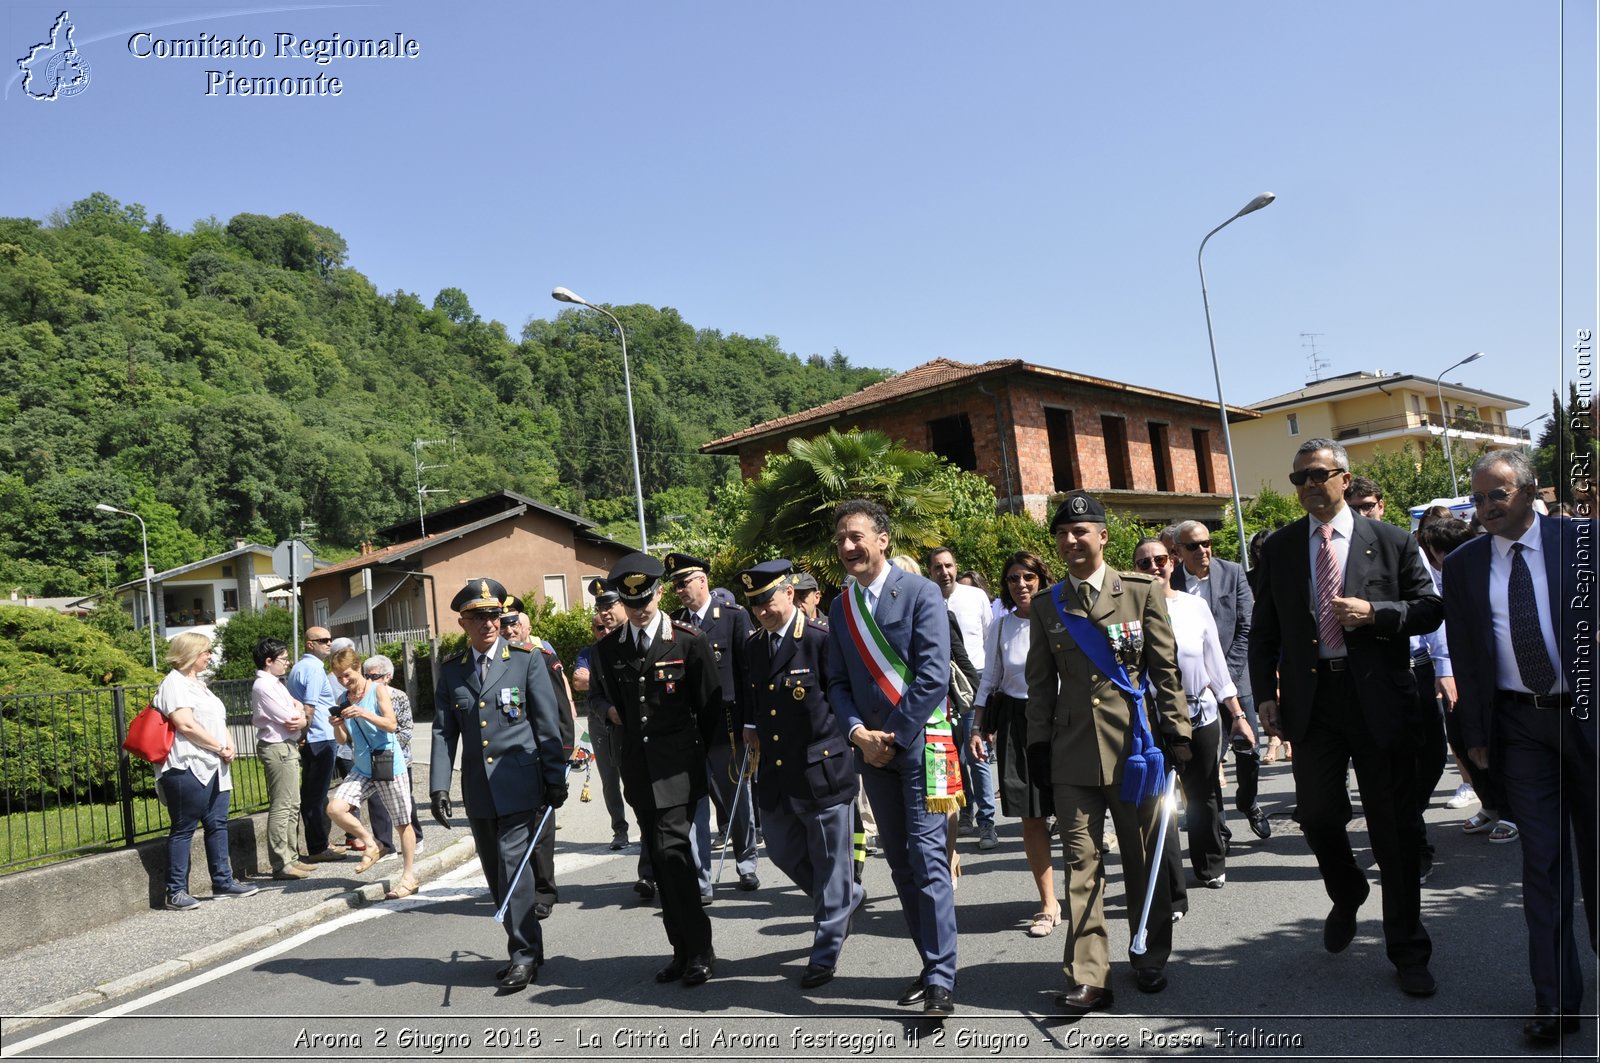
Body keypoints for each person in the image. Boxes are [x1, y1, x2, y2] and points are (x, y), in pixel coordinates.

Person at [1249, 438, 1442, 998]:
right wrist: (1265, 693)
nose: (1310, 485)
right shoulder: (1283, 548)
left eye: (1319, 474)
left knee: (1394, 830)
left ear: (1343, 477)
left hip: (1379, 700)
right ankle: (1347, 888)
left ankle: (1407, 949)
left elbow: (1430, 608)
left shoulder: (1392, 540)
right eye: (1300, 477)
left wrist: (1377, 614)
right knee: (1315, 815)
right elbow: (1264, 631)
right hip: (1314, 704)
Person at [1443, 450, 1598, 1045]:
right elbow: (1468, 653)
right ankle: (1558, 1001)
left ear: (1530, 491)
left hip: (1590, 720)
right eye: (1478, 499)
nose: (1483, 508)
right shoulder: (1463, 565)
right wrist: (1475, 736)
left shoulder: (1584, 542)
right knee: (1544, 862)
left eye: (1495, 496)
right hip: (1521, 727)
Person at [1025, 491, 1189, 1011]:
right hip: (1071, 755)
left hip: (1134, 750)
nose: (1072, 541)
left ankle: (1148, 953)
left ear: (1102, 536)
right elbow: (1038, 684)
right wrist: (1036, 747)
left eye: (1082, 532)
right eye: (1063, 534)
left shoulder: (1139, 592)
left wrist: (1179, 733)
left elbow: (1164, 669)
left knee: (1144, 858)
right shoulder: (1047, 605)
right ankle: (1090, 975)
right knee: (1081, 862)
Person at [825, 499, 958, 1017]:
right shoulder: (841, 608)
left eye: (856, 536)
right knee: (900, 862)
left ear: (883, 540)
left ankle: (942, 978)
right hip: (873, 753)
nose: (847, 547)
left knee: (927, 861)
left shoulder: (922, 593)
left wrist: (892, 737)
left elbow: (933, 676)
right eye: (840, 539)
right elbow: (836, 682)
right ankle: (930, 963)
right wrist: (859, 734)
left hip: (921, 744)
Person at [429, 578, 568, 992]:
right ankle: (529, 946)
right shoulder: (453, 670)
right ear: (463, 622)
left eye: (495, 615)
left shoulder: (526, 660)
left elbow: (547, 724)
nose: (490, 623)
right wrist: (439, 786)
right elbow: (441, 732)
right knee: (496, 875)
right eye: (479, 617)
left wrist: (555, 777)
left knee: (513, 871)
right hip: (479, 790)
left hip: (521, 784)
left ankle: (523, 955)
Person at [591, 553, 722, 987]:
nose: (639, 609)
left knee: (672, 854)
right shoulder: (608, 649)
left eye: (645, 599)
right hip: (639, 771)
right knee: (662, 865)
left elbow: (709, 708)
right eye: (631, 603)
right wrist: (608, 711)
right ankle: (681, 949)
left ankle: (700, 949)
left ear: (659, 592)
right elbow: (605, 700)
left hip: (680, 770)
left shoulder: (688, 639)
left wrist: (714, 766)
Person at [737, 560, 862, 989]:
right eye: (754, 605)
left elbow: (844, 697)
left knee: (830, 864)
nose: (762, 611)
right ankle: (845, 899)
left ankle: (825, 949)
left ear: (790, 594)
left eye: (767, 601)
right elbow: (756, 698)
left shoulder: (819, 640)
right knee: (783, 851)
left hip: (822, 767)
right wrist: (750, 727)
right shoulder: (754, 646)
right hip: (776, 771)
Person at [1136, 538, 1250, 892]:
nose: (1154, 567)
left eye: (1160, 560)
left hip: (1200, 709)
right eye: (1144, 563)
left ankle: (1210, 864)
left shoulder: (1194, 606)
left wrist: (1237, 713)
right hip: (1153, 716)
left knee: (1204, 792)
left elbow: (1215, 662)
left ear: (1172, 562)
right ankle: (1169, 883)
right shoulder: (1130, 611)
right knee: (1160, 801)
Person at [970, 549, 1060, 937]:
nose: (1020, 584)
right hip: (1017, 723)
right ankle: (1048, 903)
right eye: (1012, 579)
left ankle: (1084, 893)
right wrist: (977, 727)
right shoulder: (1002, 627)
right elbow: (989, 679)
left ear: (1041, 578)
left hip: (1062, 719)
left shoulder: (1061, 617)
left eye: (1027, 577)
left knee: (1076, 812)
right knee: (1031, 816)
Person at [664, 553, 759, 896]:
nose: (679, 591)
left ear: (702, 580)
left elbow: (748, 673)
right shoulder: (671, 623)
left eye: (684, 583)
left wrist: (751, 722)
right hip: (687, 730)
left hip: (727, 726)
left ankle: (746, 862)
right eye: (674, 586)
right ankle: (701, 879)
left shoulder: (733, 617)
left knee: (738, 797)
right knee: (695, 803)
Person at [1169, 520, 1267, 841]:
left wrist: (1223, 676)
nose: (1203, 550)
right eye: (1194, 546)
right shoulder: (1173, 583)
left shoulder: (1233, 572)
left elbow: (1245, 628)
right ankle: (1219, 828)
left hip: (1237, 681)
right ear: (1179, 551)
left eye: (1206, 543)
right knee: (1209, 762)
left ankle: (1248, 801)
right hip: (1197, 692)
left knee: (1249, 750)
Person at [153, 632, 261, 910]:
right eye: (206, 652)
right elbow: (185, 724)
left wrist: (230, 744)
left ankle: (223, 882)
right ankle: (175, 891)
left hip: (214, 764)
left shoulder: (200, 685)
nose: (209, 656)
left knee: (218, 824)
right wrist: (218, 746)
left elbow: (217, 719)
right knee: (183, 828)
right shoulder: (174, 684)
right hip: (187, 765)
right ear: (190, 653)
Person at [502, 598, 577, 919]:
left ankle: (544, 890)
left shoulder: (541, 657)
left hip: (541, 754)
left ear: (527, 626)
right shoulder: (494, 662)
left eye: (514, 622)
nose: (509, 628)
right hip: (508, 758)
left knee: (541, 827)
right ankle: (520, 887)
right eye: (504, 623)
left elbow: (561, 709)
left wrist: (562, 753)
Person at [325, 646, 418, 899]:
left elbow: (391, 724)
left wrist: (364, 713)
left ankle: (408, 876)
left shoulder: (377, 690)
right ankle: (373, 842)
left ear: (358, 668)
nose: (345, 682)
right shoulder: (343, 700)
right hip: (363, 767)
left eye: (348, 675)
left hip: (388, 763)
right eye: (339, 678)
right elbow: (344, 740)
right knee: (335, 808)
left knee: (402, 823)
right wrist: (338, 725)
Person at [929, 546, 998, 850]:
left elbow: (988, 638)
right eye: (937, 568)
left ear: (956, 567)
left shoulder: (975, 597)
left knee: (976, 753)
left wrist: (988, 687)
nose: (944, 572)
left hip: (973, 682)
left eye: (949, 566)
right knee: (951, 753)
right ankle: (966, 811)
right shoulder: (927, 601)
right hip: (939, 686)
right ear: (930, 572)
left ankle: (987, 823)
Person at [572, 579, 634, 853]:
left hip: (629, 718)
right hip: (600, 720)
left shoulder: (632, 639)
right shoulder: (590, 652)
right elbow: (580, 682)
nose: (604, 625)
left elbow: (591, 681)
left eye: (609, 607)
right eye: (599, 622)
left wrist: (595, 679)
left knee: (634, 774)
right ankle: (619, 829)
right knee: (609, 778)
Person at [250, 637, 314, 880]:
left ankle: (292, 856)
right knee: (282, 805)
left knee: (293, 803)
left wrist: (299, 713)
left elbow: (297, 710)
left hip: (287, 745)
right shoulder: (263, 686)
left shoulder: (275, 683)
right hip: (276, 747)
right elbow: (290, 716)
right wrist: (300, 714)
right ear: (269, 661)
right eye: (283, 659)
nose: (287, 663)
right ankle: (281, 863)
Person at [287, 626, 344, 864]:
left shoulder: (299, 667)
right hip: (319, 736)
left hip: (314, 736)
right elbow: (308, 707)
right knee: (315, 794)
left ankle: (320, 842)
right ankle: (318, 847)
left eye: (330, 639)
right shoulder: (313, 668)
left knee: (315, 794)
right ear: (310, 644)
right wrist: (304, 734)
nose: (329, 644)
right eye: (323, 640)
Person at [362, 654, 424, 854]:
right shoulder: (362, 697)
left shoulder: (398, 696)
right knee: (377, 802)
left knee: (404, 802)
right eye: (366, 676)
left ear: (387, 676)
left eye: (374, 676)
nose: (369, 680)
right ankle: (385, 846)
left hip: (398, 758)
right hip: (373, 759)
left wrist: (390, 750)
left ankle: (416, 838)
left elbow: (406, 728)